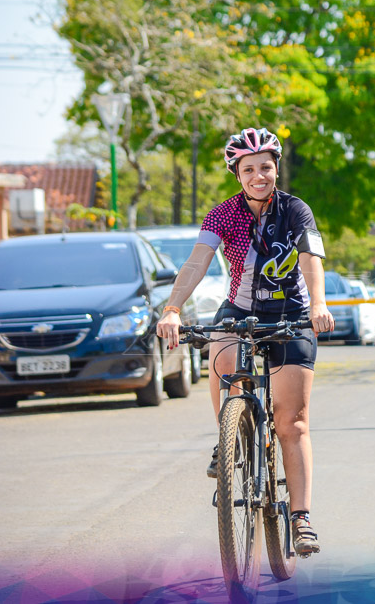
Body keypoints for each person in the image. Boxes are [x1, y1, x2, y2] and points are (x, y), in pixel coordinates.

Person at [155, 127, 334, 557]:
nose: (259, 176)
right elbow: (197, 261)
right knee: (220, 350)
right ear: (237, 174)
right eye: (249, 169)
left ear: (276, 170)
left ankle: (301, 518)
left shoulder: (296, 209)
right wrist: (173, 308)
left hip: (292, 312)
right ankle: (229, 433)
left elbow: (311, 259)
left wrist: (318, 305)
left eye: (266, 168)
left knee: (291, 422)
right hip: (240, 307)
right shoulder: (222, 214)